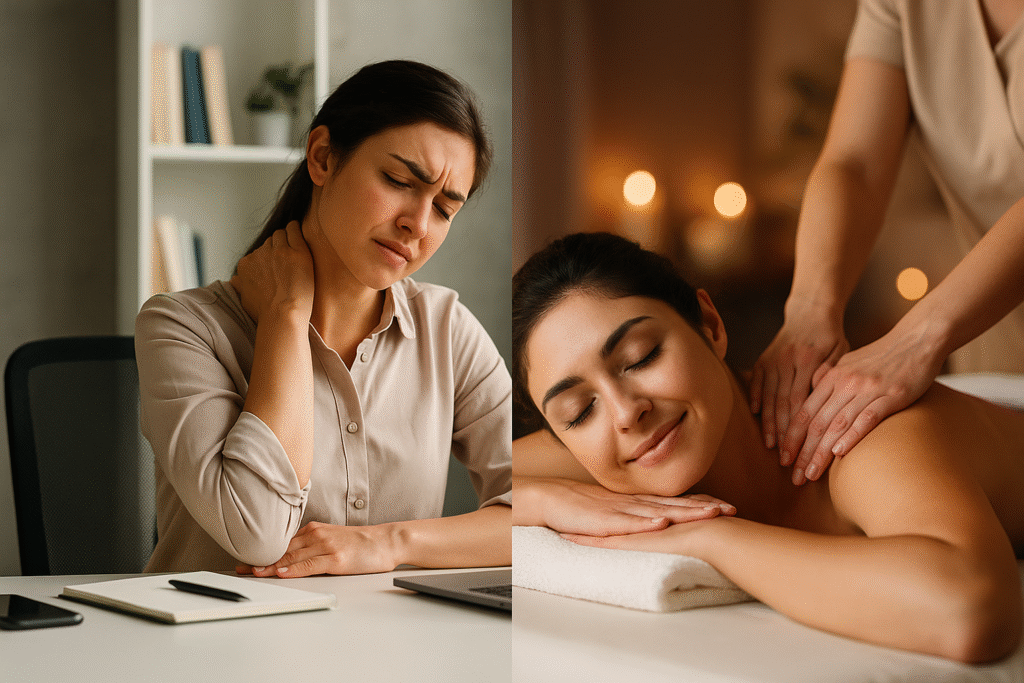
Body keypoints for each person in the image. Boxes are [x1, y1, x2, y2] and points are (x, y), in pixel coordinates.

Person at [512, 232, 1024, 663]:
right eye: (579, 411)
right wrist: (538, 501)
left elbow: (968, 612)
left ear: (709, 325)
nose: (625, 413)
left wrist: (709, 539)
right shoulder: (616, 449)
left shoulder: (856, 432)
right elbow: (453, 488)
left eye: (642, 357)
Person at [136, 60, 511, 577]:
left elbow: (538, 515)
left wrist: (390, 543)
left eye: (445, 209)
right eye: (399, 180)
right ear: (322, 157)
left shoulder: (447, 330)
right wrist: (286, 318)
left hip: (392, 650)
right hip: (216, 651)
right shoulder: (180, 329)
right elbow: (259, 532)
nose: (417, 225)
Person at [750, 0, 1024, 486]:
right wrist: (810, 311)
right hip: (997, 351)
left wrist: (919, 337)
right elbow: (854, 163)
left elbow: (959, 565)